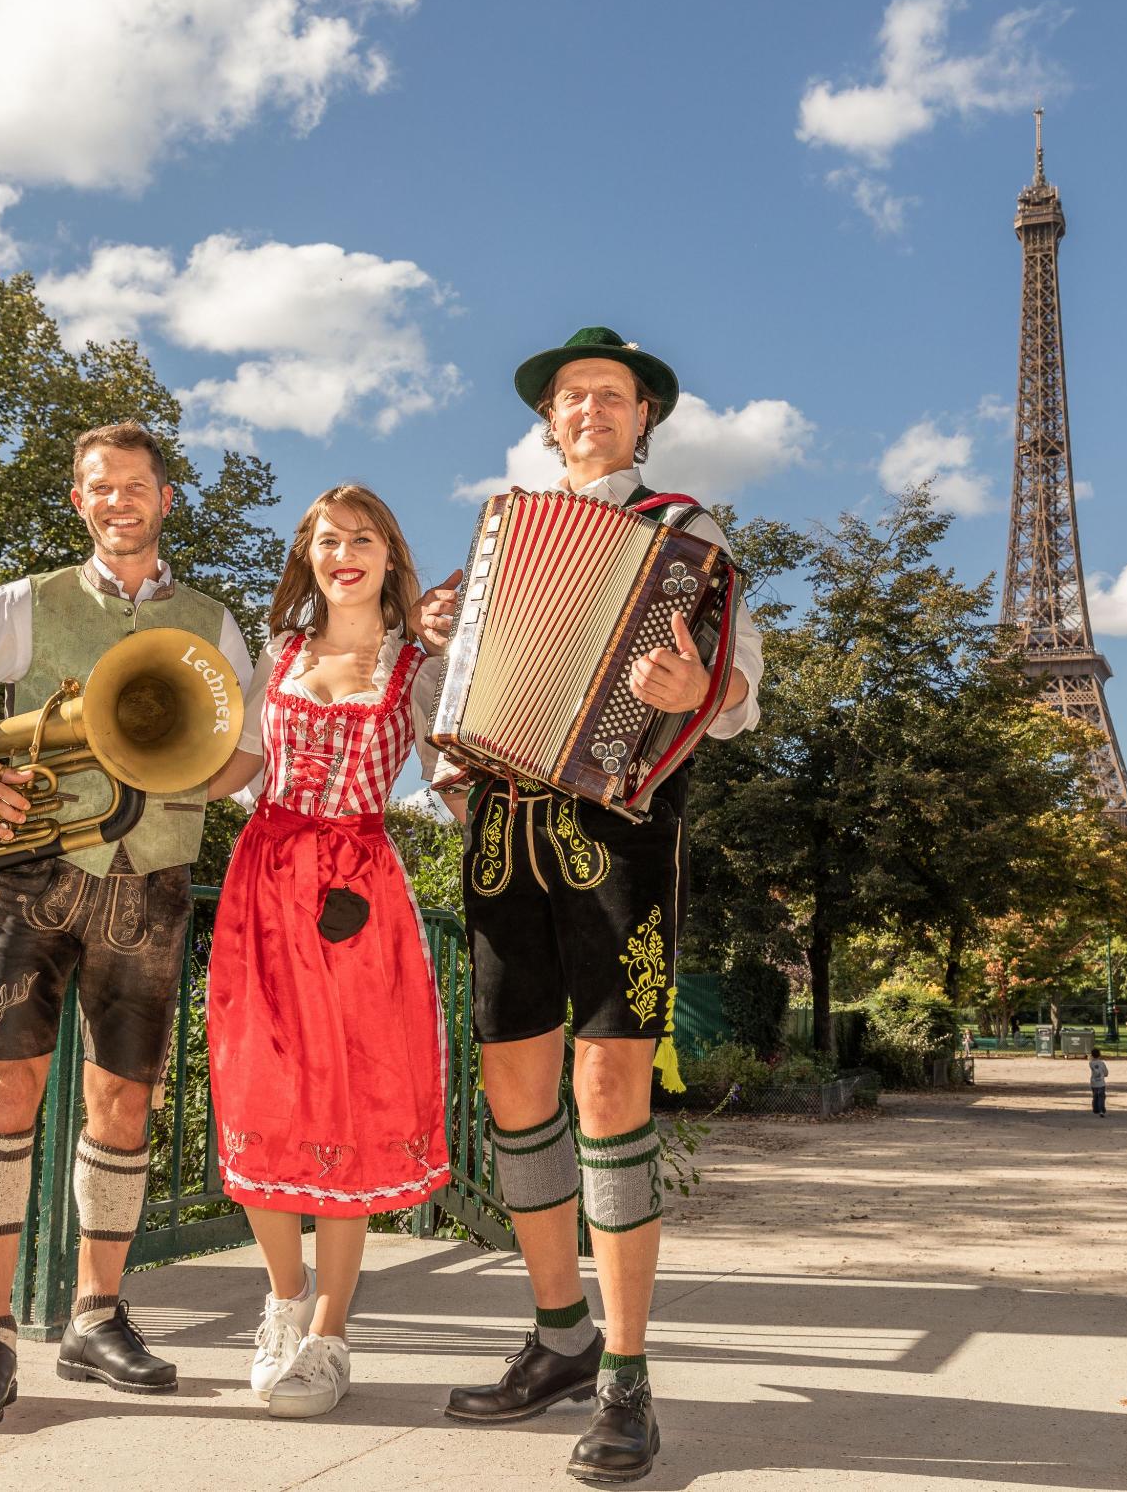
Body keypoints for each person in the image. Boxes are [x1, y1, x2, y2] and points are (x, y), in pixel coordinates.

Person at [0, 421, 254, 1433]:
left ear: (166, 499)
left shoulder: (214, 623)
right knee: (6, 1094)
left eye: (135, 484)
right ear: (78, 501)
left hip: (153, 876)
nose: (118, 500)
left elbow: (247, 756)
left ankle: (96, 1314)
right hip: (30, 874)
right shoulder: (29, 603)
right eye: (98, 486)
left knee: (122, 1105)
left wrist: (189, 762)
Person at [436, 327, 763, 1484]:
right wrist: (441, 665)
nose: (588, 414)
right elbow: (454, 688)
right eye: (570, 399)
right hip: (497, 831)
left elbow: (738, 692)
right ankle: (557, 1338)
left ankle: (625, 1379)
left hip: (617, 828)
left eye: (609, 398)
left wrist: (701, 685)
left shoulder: (685, 534)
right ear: (548, 421)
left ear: (643, 420)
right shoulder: (497, 534)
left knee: (608, 1079)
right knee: (513, 1087)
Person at [202, 485, 452, 1418]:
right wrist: (157, 767)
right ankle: (281, 1300)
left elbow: (453, 770)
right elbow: (240, 765)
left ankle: (331, 1332)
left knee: (345, 1103)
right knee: (257, 1090)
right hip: (262, 883)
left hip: (358, 892)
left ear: (390, 553)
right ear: (306, 557)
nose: (342, 553)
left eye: (361, 539)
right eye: (325, 540)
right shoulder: (281, 655)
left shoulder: (416, 665)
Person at [1088, 1049, 1109, 1117]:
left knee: (1095, 1096)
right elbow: (1106, 1072)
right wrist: (1104, 1074)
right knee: (1101, 1096)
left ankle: (1095, 1108)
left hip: (1094, 1082)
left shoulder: (1091, 1063)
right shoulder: (1102, 1063)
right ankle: (1101, 1110)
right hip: (1101, 1083)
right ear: (1099, 1055)